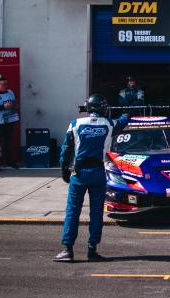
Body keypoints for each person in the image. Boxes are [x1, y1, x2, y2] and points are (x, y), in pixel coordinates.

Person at [54, 94, 129, 263]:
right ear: (103, 108)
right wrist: (126, 111)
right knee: (96, 212)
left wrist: (64, 170)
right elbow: (124, 120)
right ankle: (92, 249)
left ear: (88, 108)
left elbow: (66, 150)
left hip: (79, 173)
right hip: (98, 173)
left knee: (72, 211)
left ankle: (67, 250)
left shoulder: (75, 124)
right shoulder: (109, 124)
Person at [0, 77, 20, 171]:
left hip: (9, 121)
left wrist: (15, 106)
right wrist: (3, 106)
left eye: (6, 84)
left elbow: (14, 103)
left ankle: (10, 162)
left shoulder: (10, 92)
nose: (5, 86)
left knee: (8, 143)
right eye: (3, 84)